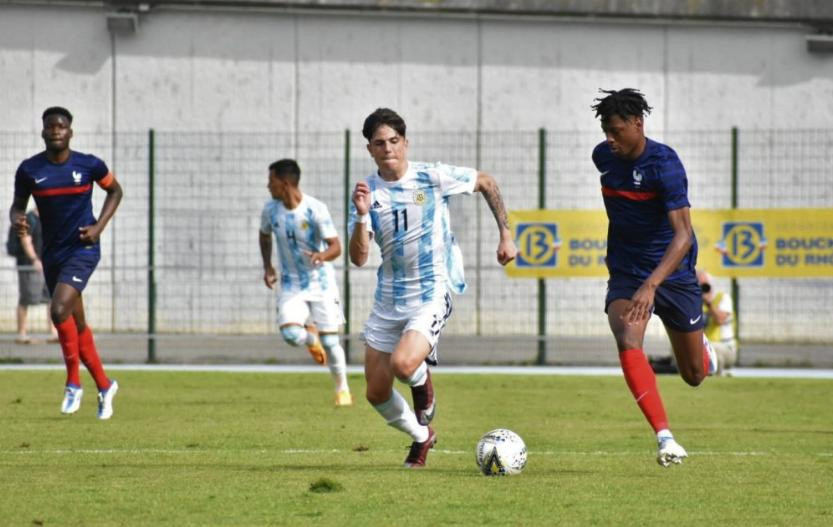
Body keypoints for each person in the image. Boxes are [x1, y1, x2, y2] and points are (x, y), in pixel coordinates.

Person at [349, 108, 517, 468]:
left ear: (405, 143)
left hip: (431, 289)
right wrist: (362, 215)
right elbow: (359, 258)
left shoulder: (431, 176)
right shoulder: (368, 192)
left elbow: (486, 181)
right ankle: (422, 436)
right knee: (376, 392)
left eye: (394, 141)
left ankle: (423, 388)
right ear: (370, 149)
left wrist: (505, 234)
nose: (388, 148)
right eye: (379, 143)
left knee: (404, 363)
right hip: (388, 298)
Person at [591, 89, 718, 467]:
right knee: (627, 335)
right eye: (605, 131)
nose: (609, 139)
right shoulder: (603, 158)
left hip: (673, 273)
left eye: (615, 131)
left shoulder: (665, 165)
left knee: (694, 375)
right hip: (627, 271)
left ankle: (703, 351)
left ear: (637, 124)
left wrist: (653, 284)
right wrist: (637, 280)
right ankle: (665, 438)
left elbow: (683, 236)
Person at [9, 106, 123, 419]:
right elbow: (17, 208)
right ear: (43, 131)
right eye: (50, 126)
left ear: (70, 132)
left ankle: (73, 382)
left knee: (58, 309)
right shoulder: (29, 170)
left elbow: (115, 191)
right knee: (78, 322)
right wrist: (18, 220)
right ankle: (104, 384)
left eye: (61, 126)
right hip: (53, 253)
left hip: (83, 249)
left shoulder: (89, 165)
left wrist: (98, 227)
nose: (56, 131)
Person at [259, 159, 353, 407]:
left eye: (272, 181)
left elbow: (336, 247)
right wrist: (268, 266)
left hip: (321, 284)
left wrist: (322, 256)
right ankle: (311, 338)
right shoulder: (271, 210)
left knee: (332, 342)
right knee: (290, 334)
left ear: (285, 183)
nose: (268, 186)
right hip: (292, 284)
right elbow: (264, 234)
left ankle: (342, 389)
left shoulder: (315, 210)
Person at [12, 206, 57, 344]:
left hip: (46, 266)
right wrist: (34, 260)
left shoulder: (47, 218)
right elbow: (25, 240)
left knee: (51, 299)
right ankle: (22, 334)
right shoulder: (29, 218)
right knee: (26, 299)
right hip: (30, 265)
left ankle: (54, 333)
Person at [698, 269, 737, 374]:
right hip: (704, 347)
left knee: (714, 352)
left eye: (704, 285)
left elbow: (720, 319)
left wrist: (709, 303)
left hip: (725, 348)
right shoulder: (695, 302)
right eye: (698, 285)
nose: (702, 289)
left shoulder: (723, 298)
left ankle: (716, 374)